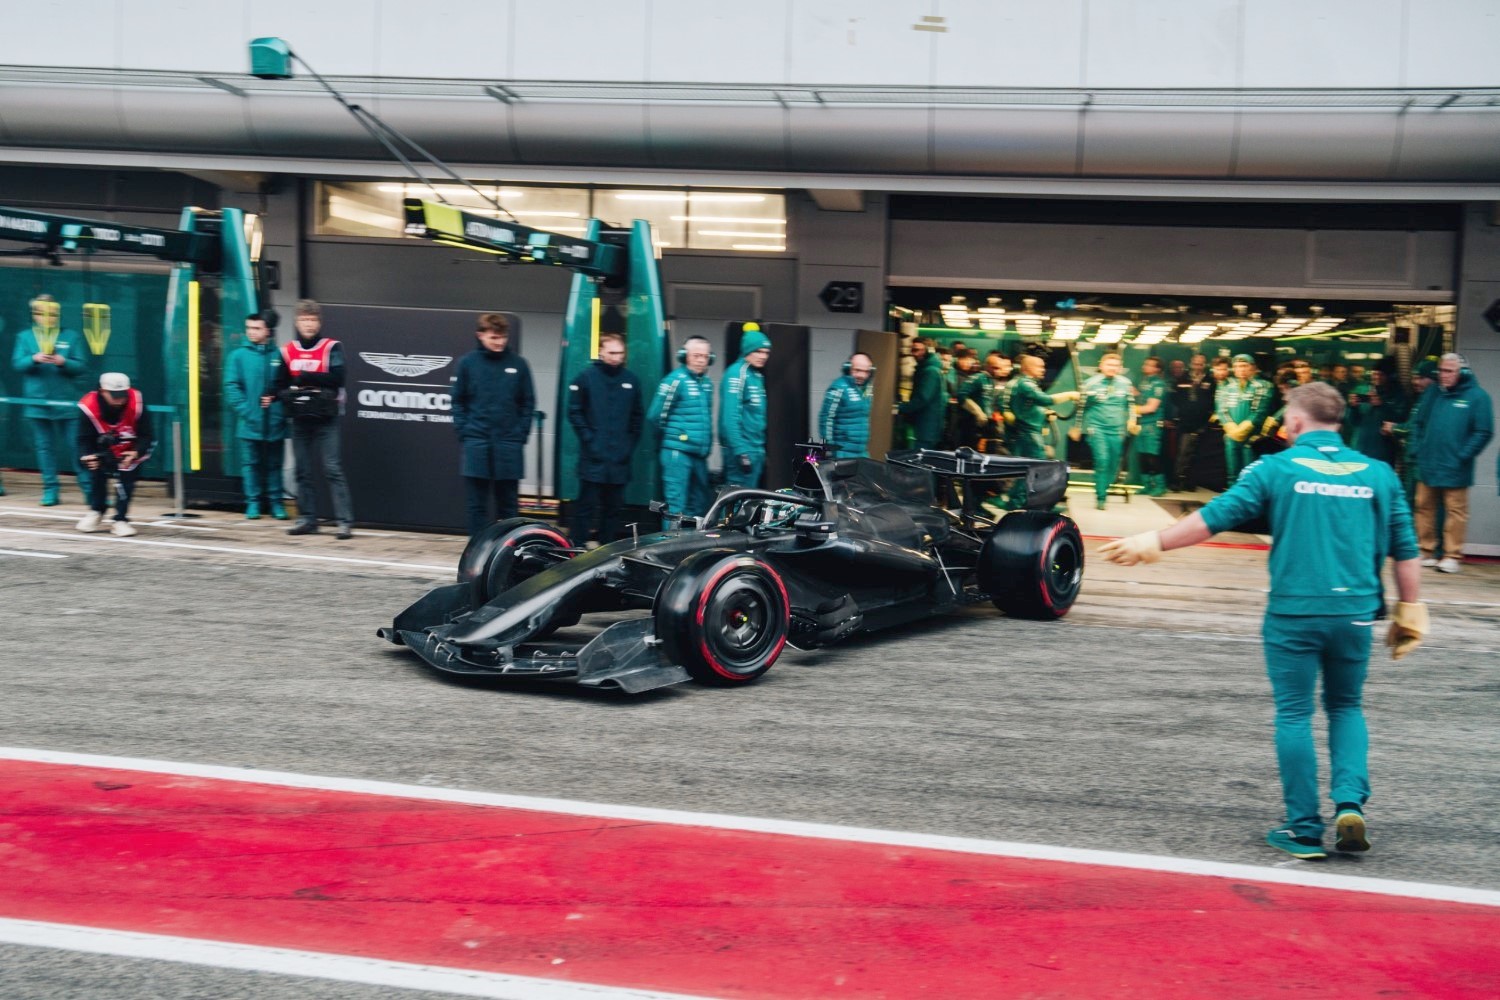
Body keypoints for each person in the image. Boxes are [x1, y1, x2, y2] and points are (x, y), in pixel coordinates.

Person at [1100, 382, 1426, 860]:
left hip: (1295, 611)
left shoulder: (1275, 467)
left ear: (1295, 421)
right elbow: (1407, 549)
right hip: (1355, 613)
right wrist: (1409, 610)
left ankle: (1304, 829)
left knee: (1295, 713)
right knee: (1346, 707)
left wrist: (1154, 542)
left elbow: (1215, 516)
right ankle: (1349, 804)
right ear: (1338, 422)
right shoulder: (1380, 474)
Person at [272, 300, 354, 538]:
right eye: (304, 319)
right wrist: (284, 393)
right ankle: (307, 519)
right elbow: (278, 385)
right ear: (297, 322)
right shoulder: (287, 350)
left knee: (332, 469)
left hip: (326, 417)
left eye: (312, 319)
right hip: (300, 418)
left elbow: (338, 378)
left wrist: (305, 377)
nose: (308, 324)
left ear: (319, 322)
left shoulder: (332, 347)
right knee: (302, 471)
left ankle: (344, 522)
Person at [451, 312, 535, 537]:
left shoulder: (519, 365)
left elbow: (527, 403)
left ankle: (509, 549)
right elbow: (457, 401)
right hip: (476, 444)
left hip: (508, 445)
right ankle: (478, 549)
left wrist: (520, 435)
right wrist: (465, 432)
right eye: (494, 337)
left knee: (508, 506)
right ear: (481, 335)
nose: (499, 342)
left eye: (503, 337)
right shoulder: (467, 364)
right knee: (476, 506)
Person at [1409, 353, 1493, 574]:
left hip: (1456, 466)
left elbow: (1483, 432)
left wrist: (1462, 456)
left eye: (1449, 371)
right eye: (1441, 371)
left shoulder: (1477, 397)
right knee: (1423, 506)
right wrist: (1417, 449)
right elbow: (1418, 423)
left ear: (1463, 372)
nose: (1443, 375)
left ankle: (1451, 555)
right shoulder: (1432, 393)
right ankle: (1426, 551)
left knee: (1456, 511)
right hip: (1428, 462)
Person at [11, 294, 91, 506]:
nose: (48, 317)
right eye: (42, 313)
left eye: (53, 313)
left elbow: (81, 366)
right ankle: (50, 490)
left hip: (66, 402)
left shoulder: (71, 336)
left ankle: (90, 489)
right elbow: (17, 364)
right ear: (35, 315)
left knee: (77, 446)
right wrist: (34, 359)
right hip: (37, 403)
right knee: (44, 448)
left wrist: (63, 362)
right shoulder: (25, 337)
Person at [566, 333, 643, 547]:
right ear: (600, 351)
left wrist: (628, 446)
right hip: (593, 459)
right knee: (585, 507)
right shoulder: (586, 378)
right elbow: (574, 411)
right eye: (611, 352)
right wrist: (590, 440)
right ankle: (576, 548)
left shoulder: (631, 380)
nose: (616, 357)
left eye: (620, 353)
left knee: (613, 509)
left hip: (619, 461)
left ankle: (606, 549)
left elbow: (637, 417)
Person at [223, 313, 288, 520]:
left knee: (274, 465)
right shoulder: (238, 356)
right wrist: (247, 411)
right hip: (249, 423)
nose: (251, 332)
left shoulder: (279, 355)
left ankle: (276, 503)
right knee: (250, 464)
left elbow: (285, 386)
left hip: (275, 422)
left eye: (256, 328)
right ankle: (253, 503)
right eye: (249, 327)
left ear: (267, 330)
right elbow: (231, 387)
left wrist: (280, 413)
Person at [75, 372, 155, 537]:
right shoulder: (88, 406)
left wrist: (136, 452)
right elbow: (84, 438)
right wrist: (88, 456)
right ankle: (97, 510)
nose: (120, 399)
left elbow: (147, 435)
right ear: (102, 391)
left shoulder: (137, 402)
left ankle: (120, 519)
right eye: (114, 395)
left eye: (123, 395)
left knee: (126, 479)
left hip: (131, 447)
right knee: (96, 471)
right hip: (102, 445)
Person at [647, 336, 714, 525]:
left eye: (705, 356)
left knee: (698, 506)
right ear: (685, 356)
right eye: (696, 355)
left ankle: (690, 541)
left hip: (699, 455)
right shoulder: (674, 380)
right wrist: (671, 440)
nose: (701, 360)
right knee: (675, 507)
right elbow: (654, 416)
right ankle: (669, 543)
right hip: (677, 454)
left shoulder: (707, 383)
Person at [1074, 352, 1135, 509]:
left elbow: (1130, 405)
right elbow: (1081, 407)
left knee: (1114, 464)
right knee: (1102, 460)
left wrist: (1132, 421)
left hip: (1117, 429)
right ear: (1101, 365)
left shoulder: (1125, 383)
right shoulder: (1090, 384)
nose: (1112, 368)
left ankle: (1104, 488)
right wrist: (1077, 427)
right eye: (1109, 364)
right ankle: (1101, 497)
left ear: (1120, 368)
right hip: (1097, 428)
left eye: (1116, 365)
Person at [720, 323, 771, 489]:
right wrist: (740, 452)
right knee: (737, 499)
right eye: (758, 351)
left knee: (750, 500)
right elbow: (729, 418)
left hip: (755, 450)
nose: (763, 356)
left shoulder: (756, 376)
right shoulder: (736, 373)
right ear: (747, 350)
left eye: (766, 352)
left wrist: (760, 452)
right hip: (741, 451)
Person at [1215, 353, 1275, 484]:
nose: (1240, 369)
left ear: (1252, 367)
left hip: (1251, 437)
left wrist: (1242, 430)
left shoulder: (1263, 386)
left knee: (1249, 474)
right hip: (1231, 437)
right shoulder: (1227, 387)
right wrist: (1231, 429)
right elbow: (1221, 410)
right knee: (1232, 474)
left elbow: (1259, 411)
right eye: (1237, 366)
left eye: (1244, 366)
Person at [1008, 352, 1080, 461]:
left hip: (1029, 433)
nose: (1043, 370)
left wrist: (1044, 412)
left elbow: (1031, 404)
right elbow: (1045, 400)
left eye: (1043, 367)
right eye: (1039, 367)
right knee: (1035, 464)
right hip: (1029, 433)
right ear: (1027, 368)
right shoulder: (1026, 385)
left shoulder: (1027, 383)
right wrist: (1069, 395)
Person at [1346, 360, 1407, 466]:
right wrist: (1353, 407)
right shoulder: (1362, 389)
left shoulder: (1397, 396)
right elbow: (1353, 422)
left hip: (1383, 452)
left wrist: (1382, 405)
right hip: (1360, 448)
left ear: (1389, 376)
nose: (1377, 377)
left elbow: (1401, 420)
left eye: (1381, 374)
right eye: (1375, 373)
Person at [1169, 353, 1215, 491]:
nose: (1198, 367)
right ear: (1191, 364)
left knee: (1198, 454)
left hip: (1203, 422)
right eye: (1195, 364)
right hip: (1185, 421)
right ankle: (1176, 481)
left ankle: (1191, 482)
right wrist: (1184, 410)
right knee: (1182, 452)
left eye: (1201, 364)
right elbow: (1174, 398)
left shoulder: (1210, 380)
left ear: (1205, 365)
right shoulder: (1182, 378)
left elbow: (1212, 400)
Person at [820, 352, 874, 458]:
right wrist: (830, 448)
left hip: (862, 452)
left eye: (866, 371)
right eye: (857, 370)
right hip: (842, 453)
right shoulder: (838, 387)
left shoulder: (867, 389)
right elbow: (826, 418)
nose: (862, 375)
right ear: (848, 368)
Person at [898, 338, 946, 449]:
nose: (914, 354)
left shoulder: (930, 371)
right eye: (912, 350)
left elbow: (922, 398)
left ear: (928, 351)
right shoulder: (929, 369)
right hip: (926, 427)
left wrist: (901, 408)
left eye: (917, 350)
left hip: (926, 428)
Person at [1133, 355, 1170, 496]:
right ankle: (1147, 485)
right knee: (1142, 456)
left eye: (1149, 365)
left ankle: (1160, 486)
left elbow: (1151, 407)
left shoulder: (1159, 384)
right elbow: (1141, 397)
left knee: (1152, 456)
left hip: (1152, 425)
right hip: (1141, 424)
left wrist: (1131, 410)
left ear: (1157, 369)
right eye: (1145, 364)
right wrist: (1135, 393)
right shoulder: (1144, 381)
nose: (1145, 366)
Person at [962, 353, 1011, 453]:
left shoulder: (991, 381)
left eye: (999, 368)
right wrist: (977, 411)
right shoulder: (977, 378)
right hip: (973, 423)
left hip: (986, 423)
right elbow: (962, 395)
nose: (998, 371)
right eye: (995, 368)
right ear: (987, 366)